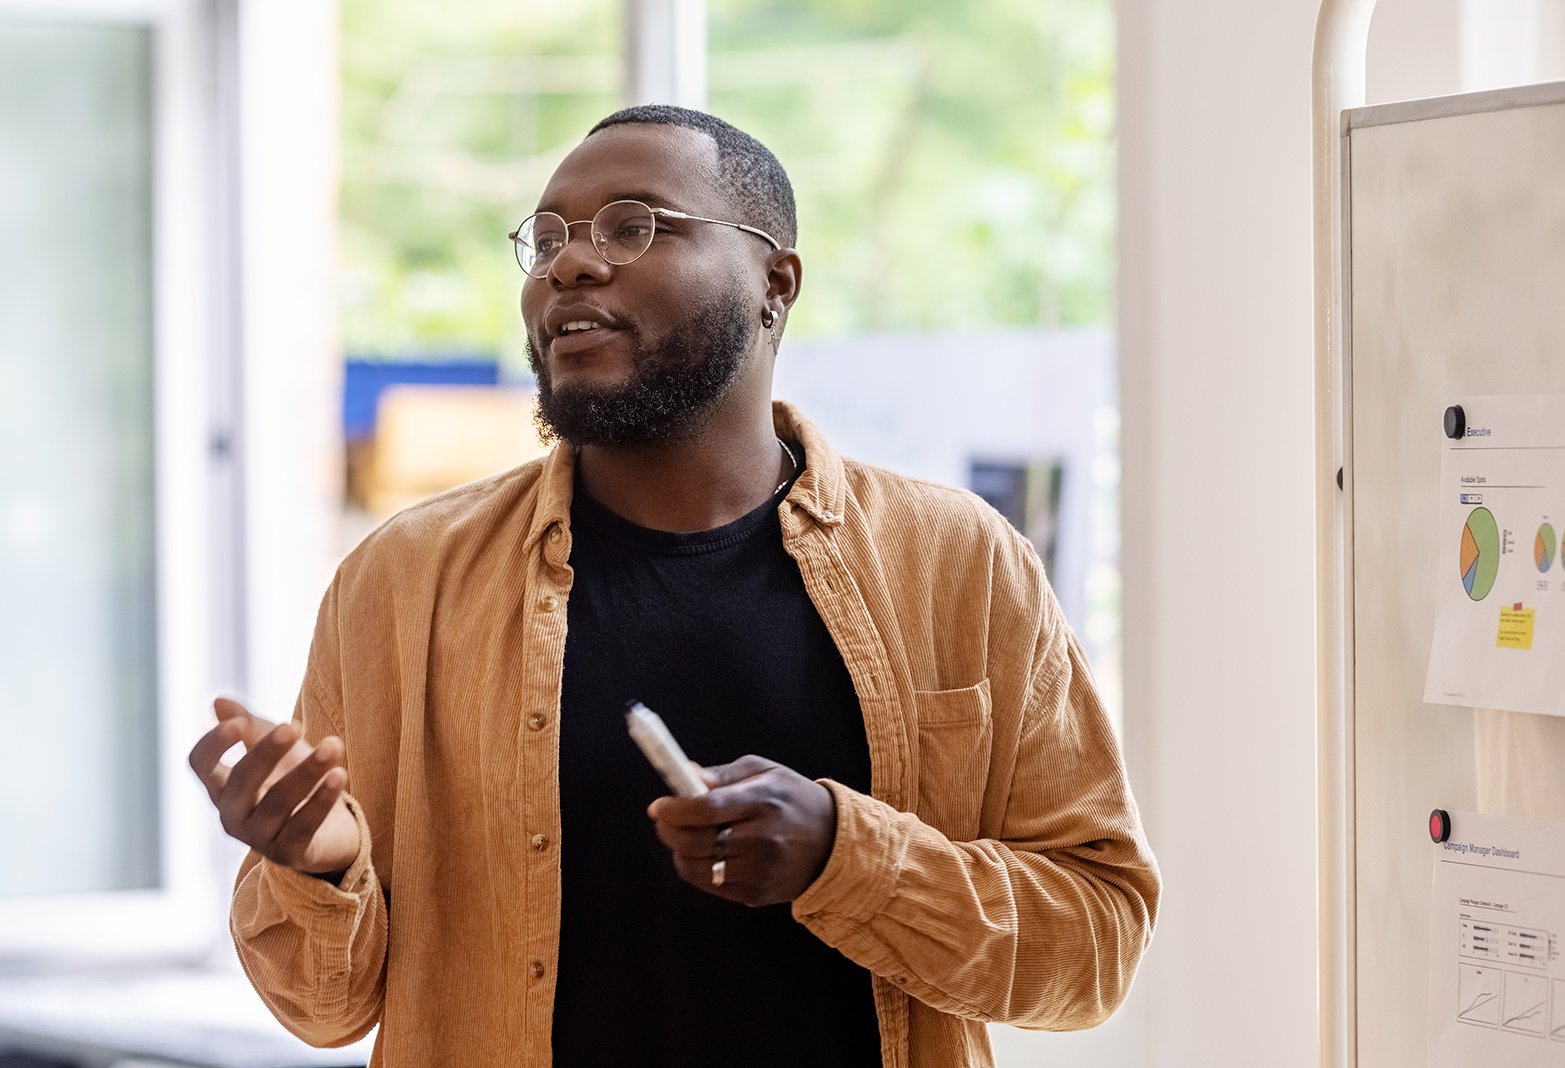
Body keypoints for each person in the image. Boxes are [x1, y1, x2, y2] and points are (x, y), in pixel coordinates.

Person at [188, 104, 1160, 1068]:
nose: (570, 262)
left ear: (774, 283)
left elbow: (1095, 946)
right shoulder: (403, 582)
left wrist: (843, 855)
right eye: (548, 238)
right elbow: (321, 1009)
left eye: (633, 224)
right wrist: (314, 864)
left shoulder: (957, 562)